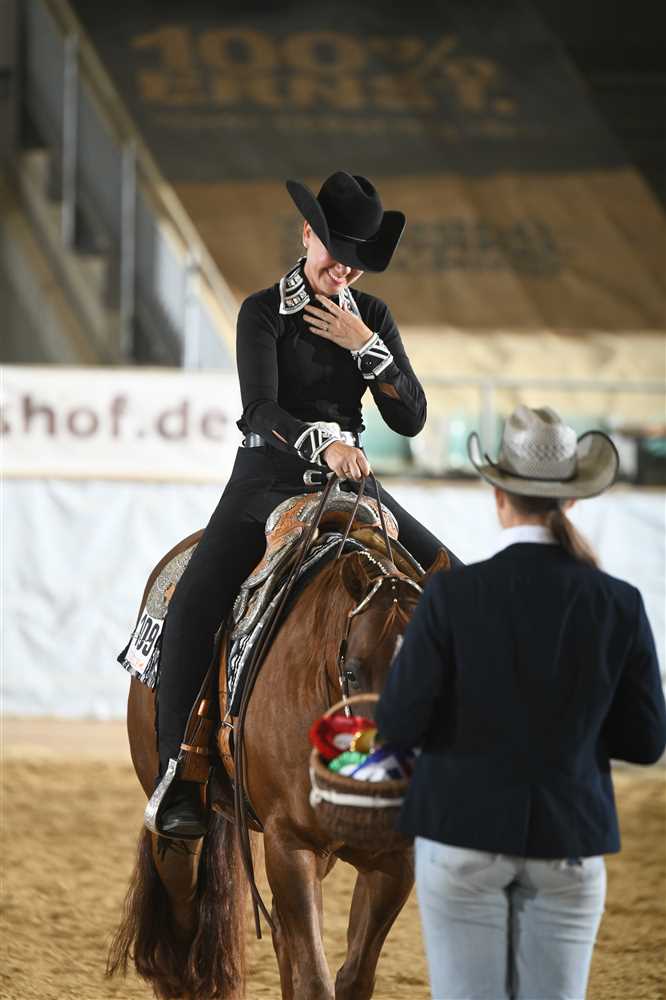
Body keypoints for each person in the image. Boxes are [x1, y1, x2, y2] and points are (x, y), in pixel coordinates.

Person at [149, 171, 460, 839]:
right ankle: (181, 770)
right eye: (333, 251)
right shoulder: (262, 311)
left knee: (454, 584)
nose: (342, 268)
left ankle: (457, 754)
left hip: (351, 483)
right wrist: (324, 443)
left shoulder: (371, 316)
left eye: (355, 260)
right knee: (195, 601)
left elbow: (411, 419)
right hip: (266, 477)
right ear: (306, 235)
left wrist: (365, 348)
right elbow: (259, 408)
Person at [376, 405, 666, 1000]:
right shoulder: (619, 602)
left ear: (498, 495)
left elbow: (398, 726)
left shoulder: (451, 596)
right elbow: (646, 742)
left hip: (461, 830)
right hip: (569, 836)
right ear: (571, 499)